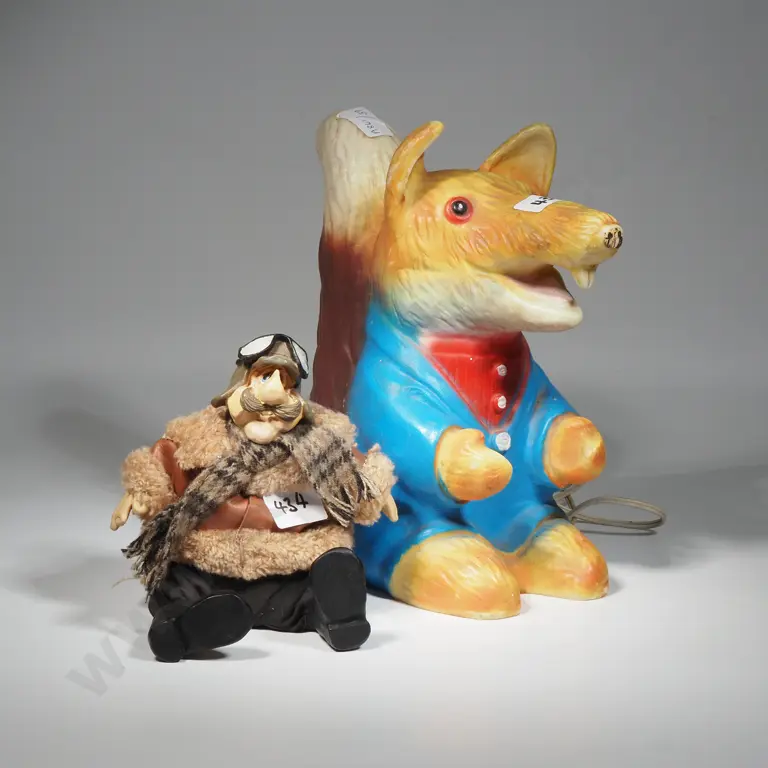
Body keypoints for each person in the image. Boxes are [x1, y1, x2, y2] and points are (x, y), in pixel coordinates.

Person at [111, 333, 397, 662]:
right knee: (176, 585)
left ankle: (338, 616)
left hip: (288, 567)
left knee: (314, 584)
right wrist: (143, 490)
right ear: (240, 384)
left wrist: (376, 487)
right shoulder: (199, 437)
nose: (274, 395)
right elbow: (161, 462)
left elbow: (355, 475)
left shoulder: (322, 445)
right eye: (263, 376)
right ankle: (182, 626)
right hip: (209, 564)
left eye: (287, 384)